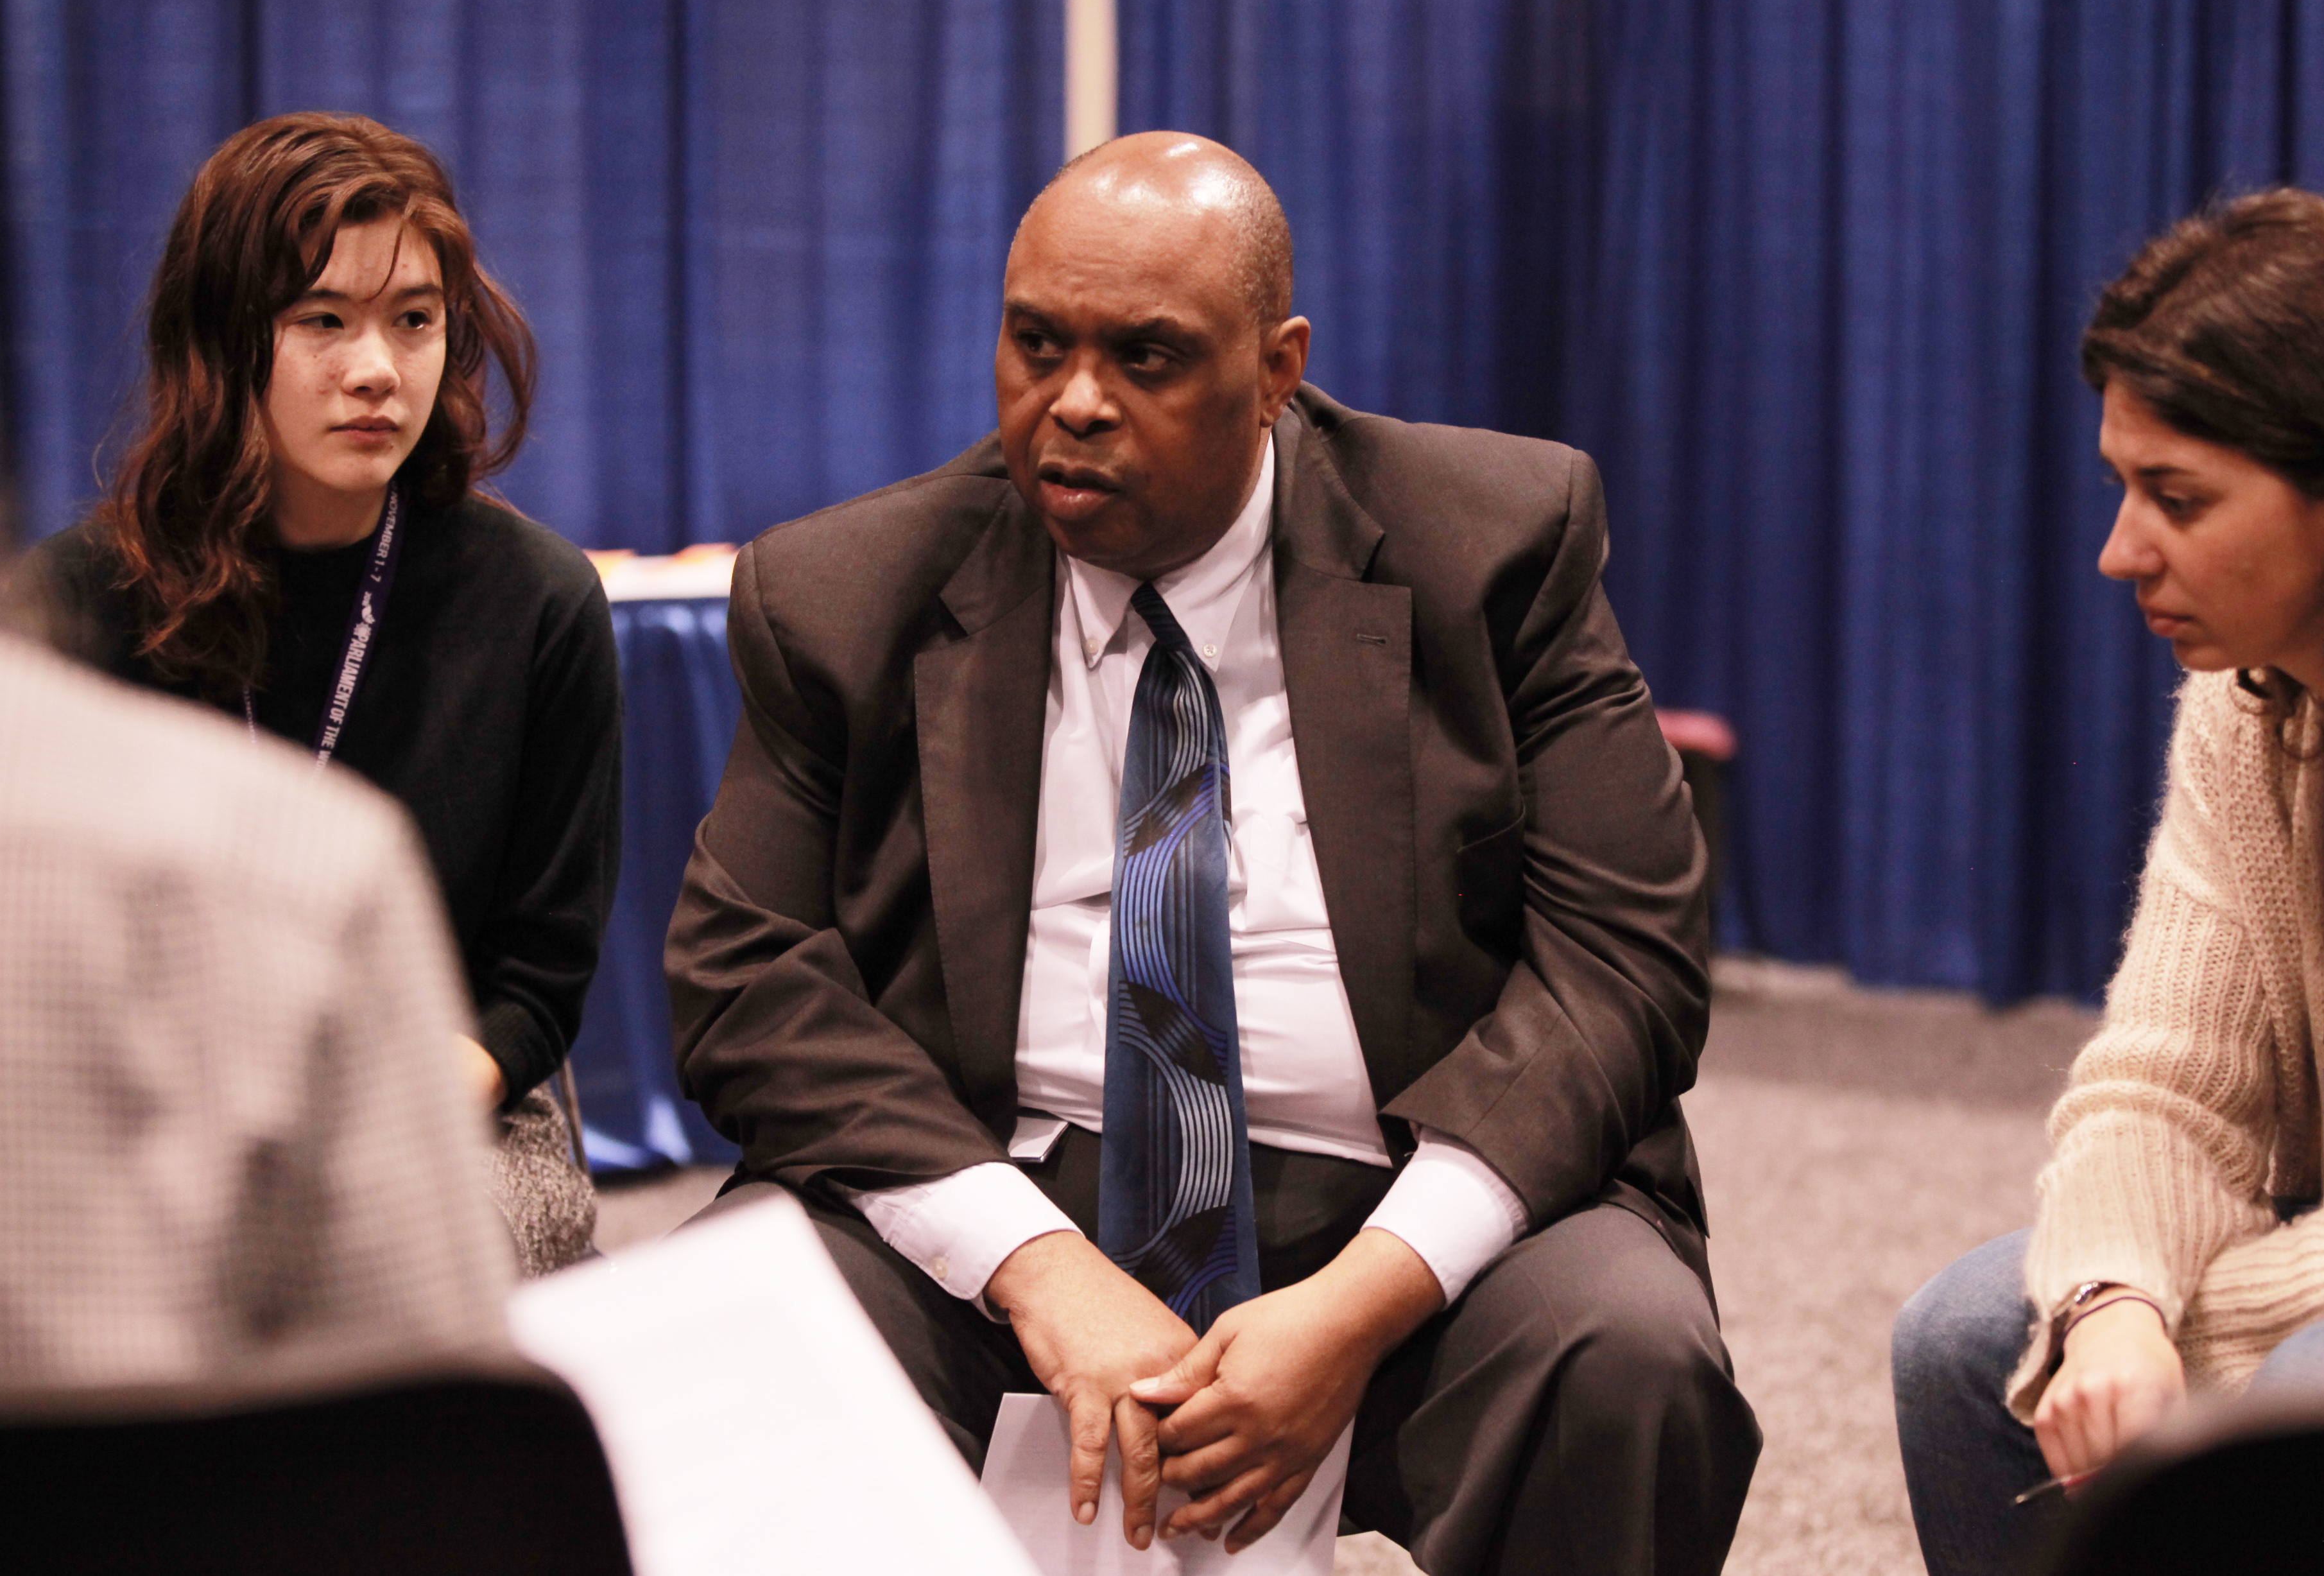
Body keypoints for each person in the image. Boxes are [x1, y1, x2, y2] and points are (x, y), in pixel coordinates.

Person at [666, 132, 1758, 1575]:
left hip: (1400, 1186)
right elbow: (743, 977)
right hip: (1010, 1176)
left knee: (1623, 1359)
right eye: (1035, 342)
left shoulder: (1489, 544)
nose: (1074, 404)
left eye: (1147, 357)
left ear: (1276, 366)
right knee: (741, 1339)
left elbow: (1622, 961)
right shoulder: (845, 591)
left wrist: (1363, 1298)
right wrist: (1036, 1264)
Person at [1891, 188, 2324, 1575]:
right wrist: (2113, 1297)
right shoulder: (2257, 693)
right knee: (1961, 1342)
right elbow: (2159, 1085)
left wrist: (2200, 1328)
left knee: (2316, 1393)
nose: (2118, 551)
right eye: (2122, 489)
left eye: (2174, 499)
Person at [26, 113, 622, 1276]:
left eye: (414, 321)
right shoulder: (76, 602)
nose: (375, 370)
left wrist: (382, 1115)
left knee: (419, 1246)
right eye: (322, 321)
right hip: (136, 1107)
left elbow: (537, 983)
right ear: (224, 339)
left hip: (449, 1105)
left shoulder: (538, 602)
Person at [0, 621, 514, 1397]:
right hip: (195, 1492)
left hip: (473, 1090)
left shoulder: (529, 599)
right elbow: (430, 1414)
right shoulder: (304, 855)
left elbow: (537, 983)